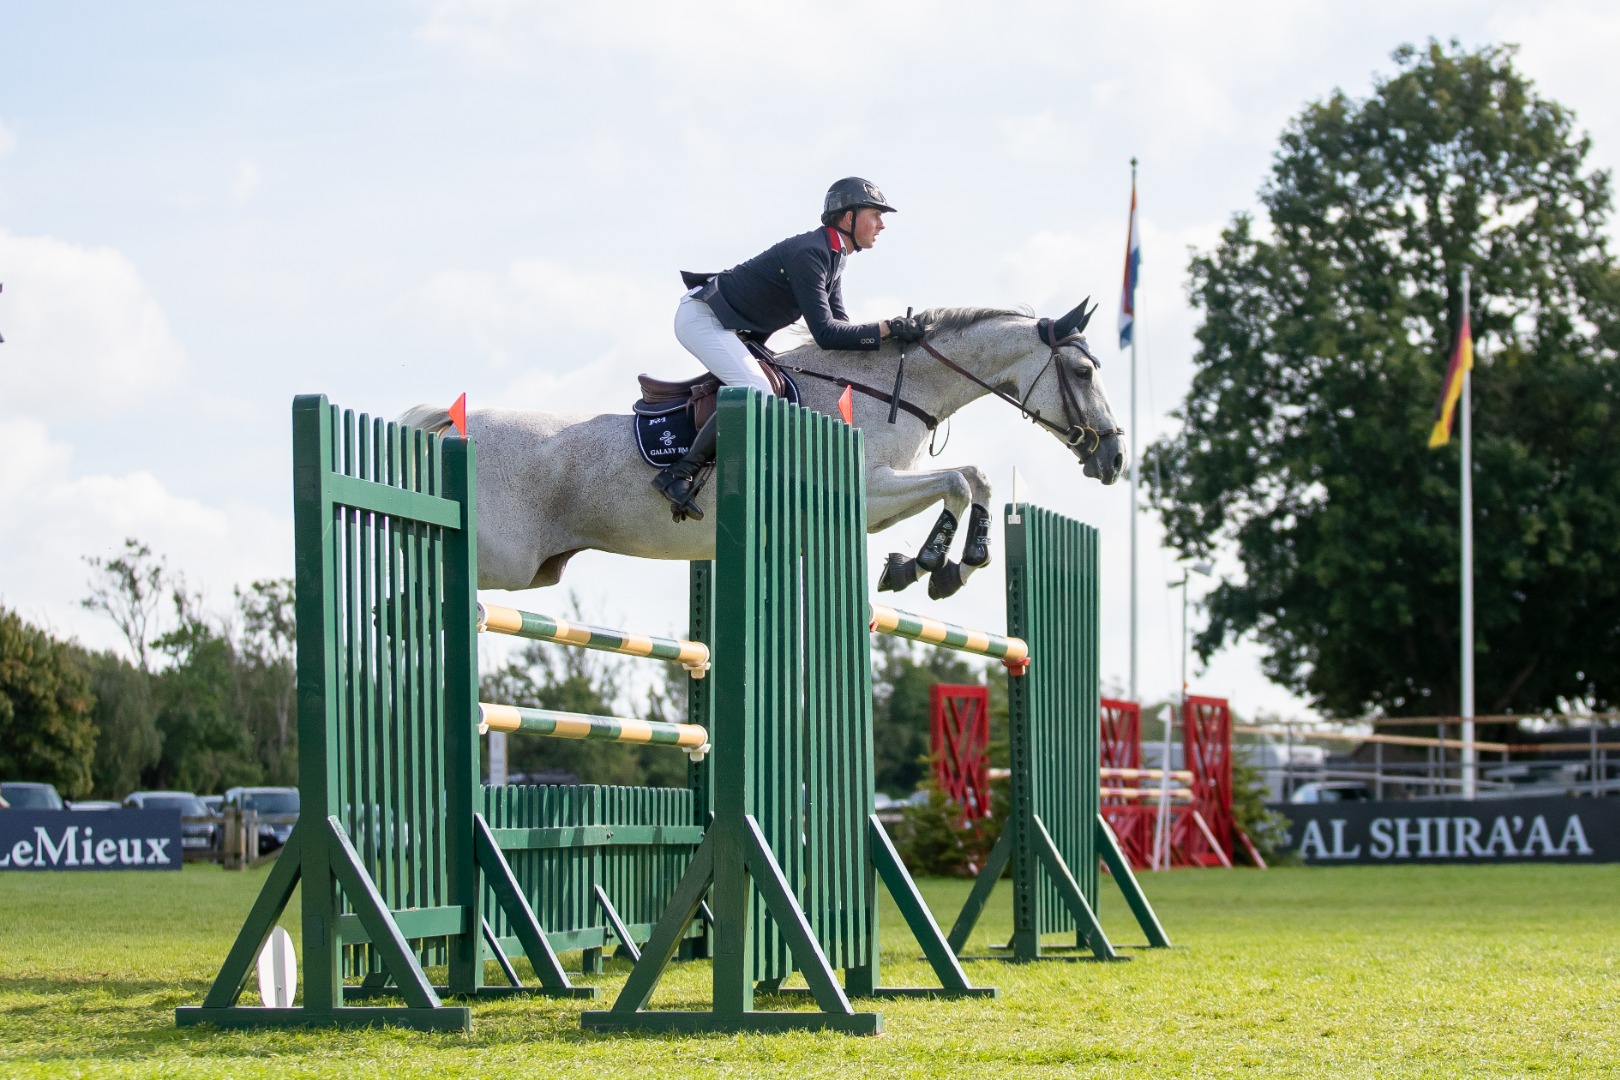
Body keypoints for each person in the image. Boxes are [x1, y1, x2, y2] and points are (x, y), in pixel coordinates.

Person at [653, 177, 926, 519]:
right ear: (849, 217)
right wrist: (884, 327)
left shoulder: (833, 257)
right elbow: (826, 334)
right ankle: (679, 473)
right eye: (875, 215)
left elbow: (841, 328)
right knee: (757, 390)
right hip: (703, 319)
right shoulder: (810, 253)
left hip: (727, 325)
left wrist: (889, 336)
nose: (881, 224)